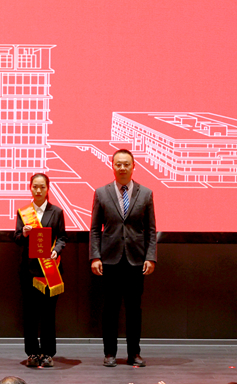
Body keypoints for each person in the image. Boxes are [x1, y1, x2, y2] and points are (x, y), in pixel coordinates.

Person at [89, 148, 157, 367]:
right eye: (118, 164)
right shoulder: (101, 193)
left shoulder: (146, 193)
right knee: (110, 309)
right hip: (109, 260)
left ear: (133, 166)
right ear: (112, 165)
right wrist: (95, 256)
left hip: (136, 261)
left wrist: (151, 257)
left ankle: (134, 353)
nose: (122, 168)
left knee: (134, 310)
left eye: (126, 164)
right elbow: (95, 229)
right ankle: (110, 353)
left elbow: (150, 230)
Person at [13, 173, 67, 368]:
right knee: (30, 314)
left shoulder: (57, 212)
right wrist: (24, 233)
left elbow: (62, 238)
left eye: (42, 187)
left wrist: (56, 250)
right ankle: (32, 353)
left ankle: (47, 353)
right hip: (29, 271)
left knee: (48, 314)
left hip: (50, 270)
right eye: (35, 186)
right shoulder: (24, 212)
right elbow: (16, 238)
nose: (38, 190)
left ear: (47, 188)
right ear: (30, 188)